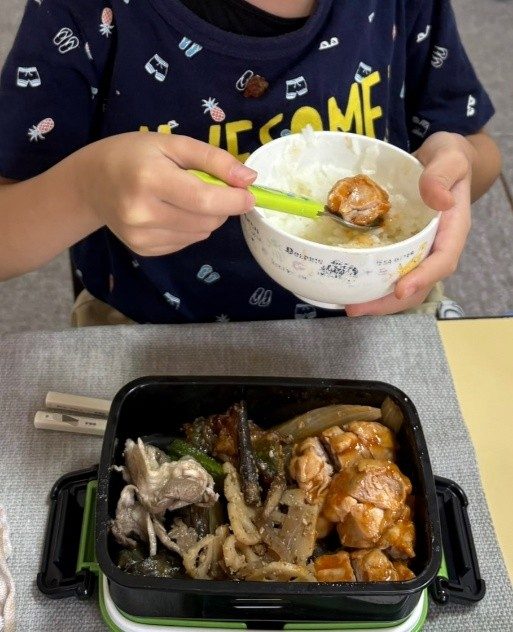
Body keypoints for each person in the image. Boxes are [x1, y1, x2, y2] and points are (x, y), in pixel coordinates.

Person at [0, 0, 502, 325]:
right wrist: (88, 188)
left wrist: (454, 166)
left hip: (380, 315)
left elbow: (475, 150)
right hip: (150, 331)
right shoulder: (85, 13)